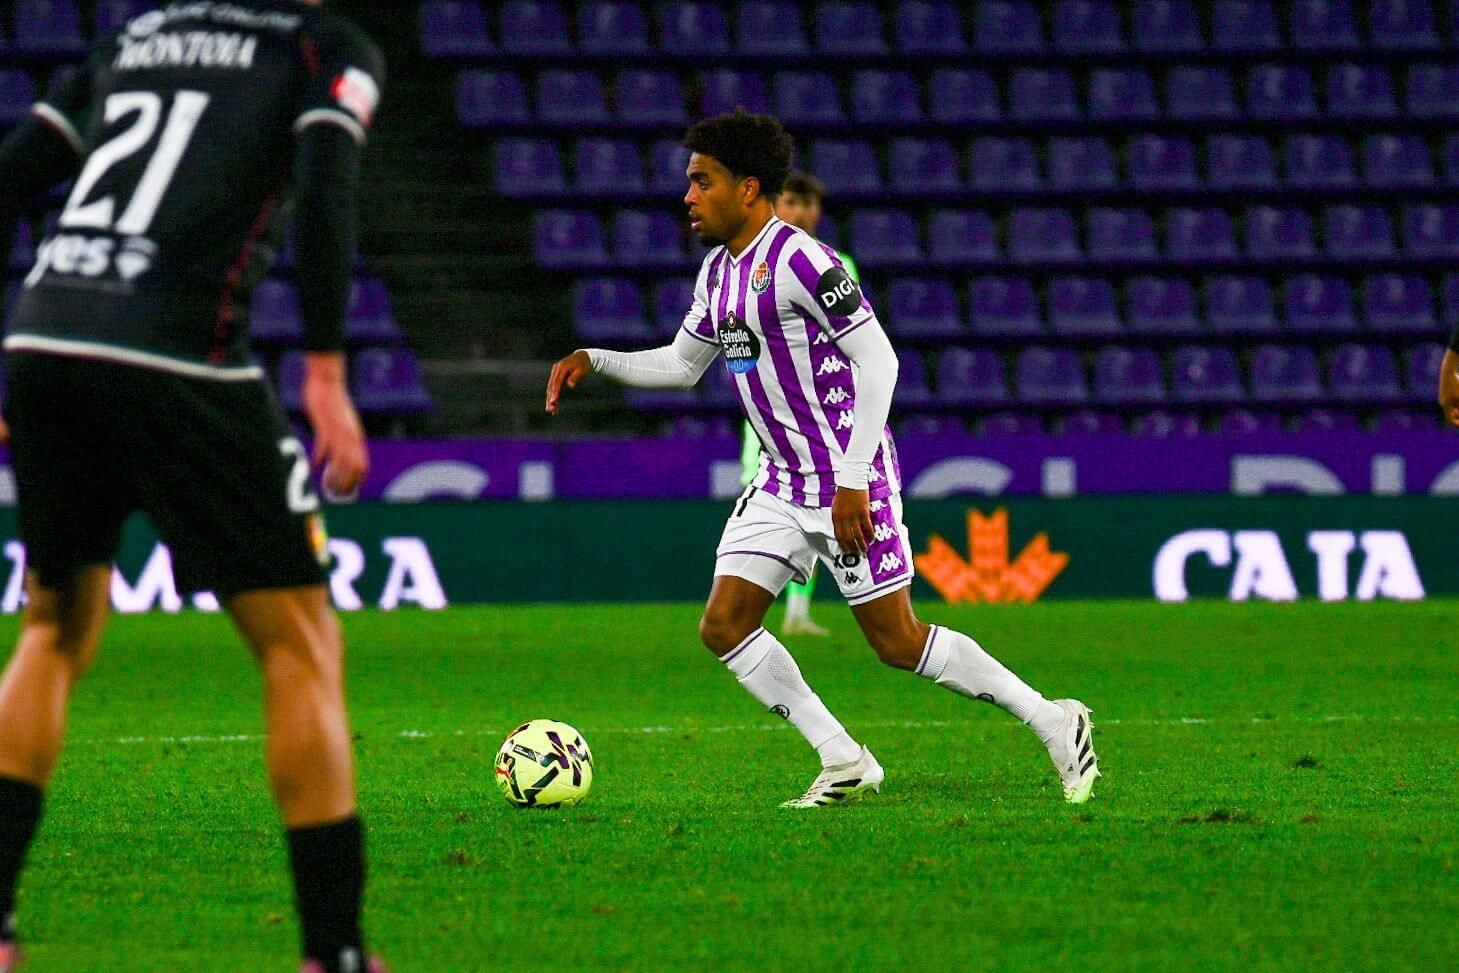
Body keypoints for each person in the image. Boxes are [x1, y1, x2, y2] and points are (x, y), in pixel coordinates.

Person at [547, 110, 1101, 809]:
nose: (687, 196)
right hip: (778, 481)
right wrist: (594, 359)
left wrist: (850, 480)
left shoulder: (804, 261)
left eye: (701, 181)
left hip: (846, 475)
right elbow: (683, 366)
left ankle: (1055, 720)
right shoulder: (717, 272)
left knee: (896, 642)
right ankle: (843, 758)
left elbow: (881, 361)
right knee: (723, 624)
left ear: (747, 189)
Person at [0, 2, 385, 970]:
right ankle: (333, 952)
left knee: (53, 627)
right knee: (300, 641)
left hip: (46, 333)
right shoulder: (318, 44)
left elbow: (14, 175)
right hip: (181, 355)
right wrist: (328, 370)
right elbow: (329, 178)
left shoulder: (133, 37)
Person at [742, 172, 859, 638]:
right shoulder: (749, 264)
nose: (801, 212)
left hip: (822, 417)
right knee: (776, 510)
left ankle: (794, 611)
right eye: (791, 201)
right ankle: (762, 609)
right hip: (772, 419)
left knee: (817, 513)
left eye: (808, 204)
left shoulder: (838, 262)